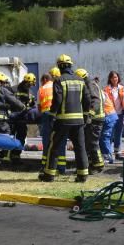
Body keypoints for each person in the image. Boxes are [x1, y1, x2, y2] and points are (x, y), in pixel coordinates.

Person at [40, 54, 89, 183]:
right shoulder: (80, 80)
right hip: (78, 121)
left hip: (62, 120)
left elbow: (58, 100)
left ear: (60, 66)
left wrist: (52, 115)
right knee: (80, 147)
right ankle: (82, 175)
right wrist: (85, 116)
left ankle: (49, 174)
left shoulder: (59, 80)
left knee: (54, 146)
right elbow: (87, 99)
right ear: (70, 65)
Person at [76, 69, 105, 173]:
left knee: (93, 143)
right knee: (89, 143)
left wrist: (89, 116)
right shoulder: (91, 84)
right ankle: (93, 164)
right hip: (95, 119)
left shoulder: (90, 85)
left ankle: (99, 165)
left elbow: (95, 101)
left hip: (95, 119)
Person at [10, 72, 38, 162]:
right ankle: (5, 155)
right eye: (29, 85)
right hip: (11, 118)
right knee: (9, 136)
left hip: (22, 119)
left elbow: (34, 104)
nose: (30, 87)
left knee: (21, 136)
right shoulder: (13, 89)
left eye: (31, 85)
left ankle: (16, 155)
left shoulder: (30, 92)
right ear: (25, 82)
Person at [103, 70, 124, 159]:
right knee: (110, 134)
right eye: (113, 77)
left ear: (118, 78)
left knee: (118, 133)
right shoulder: (106, 89)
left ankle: (118, 152)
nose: (114, 79)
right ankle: (108, 153)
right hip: (111, 114)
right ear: (110, 79)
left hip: (120, 113)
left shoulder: (121, 88)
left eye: (116, 77)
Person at [37, 71, 56, 169]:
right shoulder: (55, 86)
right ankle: (55, 163)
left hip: (45, 115)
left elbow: (39, 107)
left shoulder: (41, 89)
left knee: (46, 139)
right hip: (55, 114)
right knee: (56, 139)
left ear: (44, 79)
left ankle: (45, 163)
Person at [100, 74, 119, 164]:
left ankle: (108, 156)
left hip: (109, 116)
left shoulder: (98, 93)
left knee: (105, 137)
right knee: (105, 137)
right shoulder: (101, 91)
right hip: (110, 115)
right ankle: (106, 155)